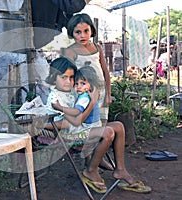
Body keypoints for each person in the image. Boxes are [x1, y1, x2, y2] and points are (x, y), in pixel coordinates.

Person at [49, 66, 151, 194]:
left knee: (119, 125)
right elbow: (76, 119)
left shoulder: (82, 94)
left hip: (86, 127)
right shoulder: (72, 97)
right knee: (108, 132)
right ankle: (91, 170)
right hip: (75, 133)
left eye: (81, 83)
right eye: (76, 83)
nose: (77, 86)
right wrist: (62, 108)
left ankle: (120, 169)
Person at [62, 13, 111, 126]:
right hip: (85, 95)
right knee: (89, 126)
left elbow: (105, 72)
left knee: (102, 124)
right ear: (72, 33)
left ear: (91, 31)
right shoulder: (70, 51)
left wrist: (108, 94)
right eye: (78, 32)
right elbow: (69, 77)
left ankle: (103, 143)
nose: (82, 36)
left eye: (86, 31)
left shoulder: (97, 48)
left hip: (101, 92)